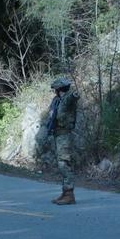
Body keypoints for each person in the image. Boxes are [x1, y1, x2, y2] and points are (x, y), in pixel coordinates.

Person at [45, 75, 80, 205]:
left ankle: (69, 194)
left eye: (55, 89)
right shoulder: (57, 100)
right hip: (58, 134)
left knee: (64, 163)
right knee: (61, 163)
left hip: (65, 135)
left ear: (60, 89)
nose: (54, 91)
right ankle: (65, 193)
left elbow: (73, 97)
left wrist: (74, 95)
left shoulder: (68, 98)